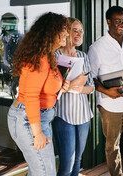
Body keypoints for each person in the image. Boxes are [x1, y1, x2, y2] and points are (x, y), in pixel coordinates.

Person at [7, 12, 70, 176]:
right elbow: (31, 96)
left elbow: (45, 87)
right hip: (29, 119)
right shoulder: (40, 57)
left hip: (41, 118)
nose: (67, 33)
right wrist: (37, 133)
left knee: (40, 171)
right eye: (63, 29)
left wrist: (61, 86)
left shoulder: (49, 55)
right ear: (51, 32)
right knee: (45, 173)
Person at [88, 6, 123, 176]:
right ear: (108, 22)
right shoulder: (97, 47)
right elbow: (91, 77)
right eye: (118, 21)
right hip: (109, 103)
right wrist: (106, 92)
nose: (122, 24)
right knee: (112, 144)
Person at [52, 17, 94, 176]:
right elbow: (55, 88)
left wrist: (79, 87)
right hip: (63, 115)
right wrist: (74, 84)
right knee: (67, 162)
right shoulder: (55, 55)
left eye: (81, 32)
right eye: (75, 30)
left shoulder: (83, 56)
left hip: (83, 114)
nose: (78, 34)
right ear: (66, 32)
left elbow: (91, 86)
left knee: (78, 160)